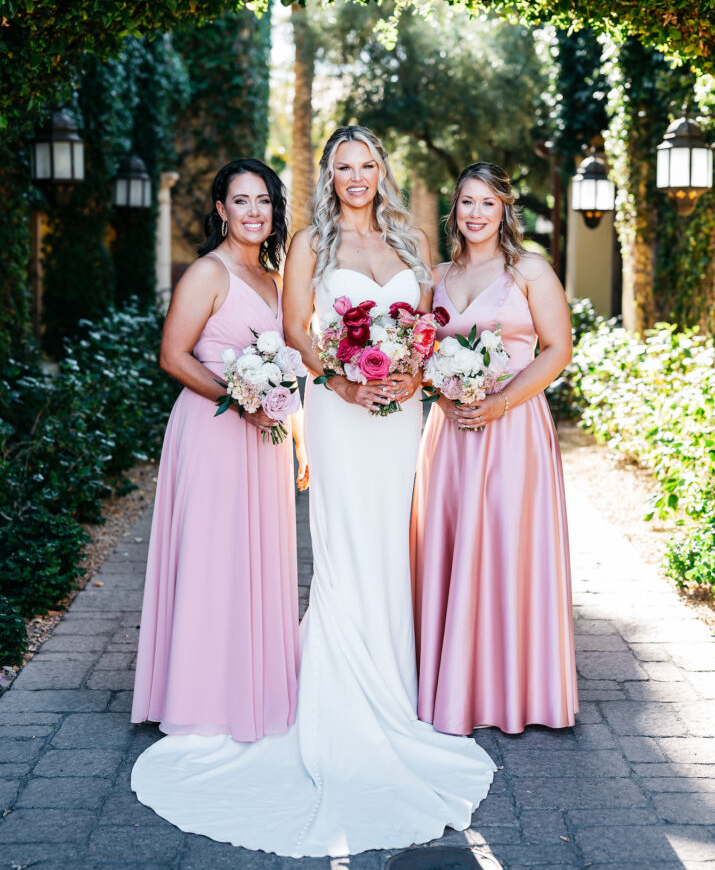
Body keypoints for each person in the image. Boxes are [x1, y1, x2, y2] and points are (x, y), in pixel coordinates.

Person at [132, 127, 494, 857]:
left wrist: (412, 374)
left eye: (366, 165)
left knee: (390, 543)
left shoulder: (412, 238)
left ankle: (391, 694)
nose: (355, 177)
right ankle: (333, 701)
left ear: (381, 171)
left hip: (396, 414)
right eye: (342, 166)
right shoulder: (307, 246)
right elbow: (297, 333)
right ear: (327, 174)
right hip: (337, 409)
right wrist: (341, 381)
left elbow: (424, 327)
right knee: (343, 545)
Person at [130, 158, 302, 744]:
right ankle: (199, 697)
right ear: (221, 209)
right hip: (211, 430)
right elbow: (173, 356)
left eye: (264, 201)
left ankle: (250, 686)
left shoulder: (277, 282)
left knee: (255, 557)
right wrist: (239, 397)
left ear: (274, 212)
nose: (254, 212)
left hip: (266, 438)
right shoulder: (208, 272)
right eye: (242, 201)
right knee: (211, 556)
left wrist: (288, 425)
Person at [410, 161, 578, 736]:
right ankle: (450, 685)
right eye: (466, 202)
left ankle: (514, 690)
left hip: (513, 429)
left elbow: (557, 350)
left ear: (505, 208)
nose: (476, 213)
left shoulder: (529, 269)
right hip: (451, 431)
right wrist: (441, 391)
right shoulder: (435, 275)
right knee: (450, 547)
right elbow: (419, 355)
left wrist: (501, 401)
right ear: (453, 210)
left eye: (487, 202)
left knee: (509, 548)